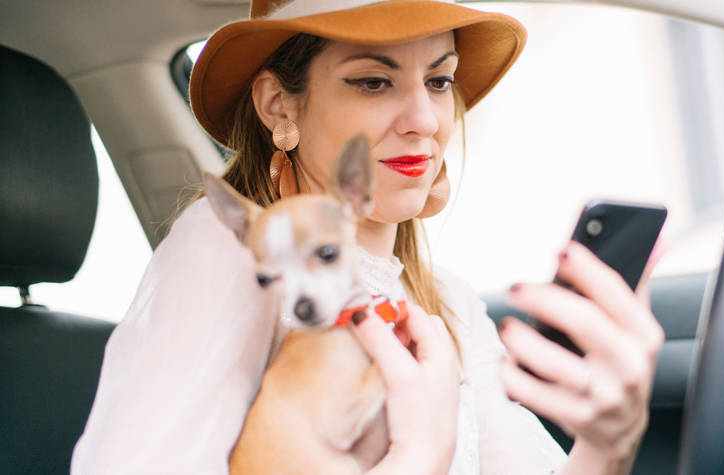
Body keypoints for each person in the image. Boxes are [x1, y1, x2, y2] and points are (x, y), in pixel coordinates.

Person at [71, 0, 666, 473]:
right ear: (280, 107)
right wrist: (415, 460)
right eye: (374, 82)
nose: (426, 120)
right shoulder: (231, 251)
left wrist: (607, 443)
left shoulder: (449, 304)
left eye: (438, 82)